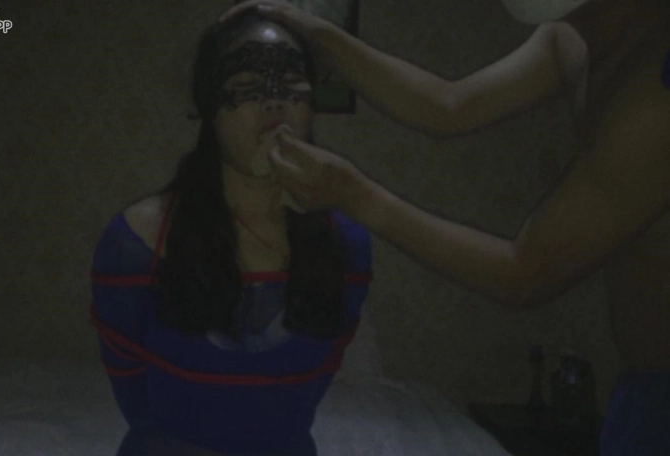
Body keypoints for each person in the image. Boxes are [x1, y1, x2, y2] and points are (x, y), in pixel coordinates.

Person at [220, 0, 670, 455]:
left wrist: (354, 195)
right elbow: (448, 104)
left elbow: (526, 273)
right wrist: (319, 33)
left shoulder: (655, 91)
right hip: (640, 393)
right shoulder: (574, 37)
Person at [89, 8, 373, 456]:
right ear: (209, 106)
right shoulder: (135, 245)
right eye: (246, 84)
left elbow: (308, 391)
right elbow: (134, 395)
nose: (274, 102)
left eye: (291, 82)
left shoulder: (348, 248)